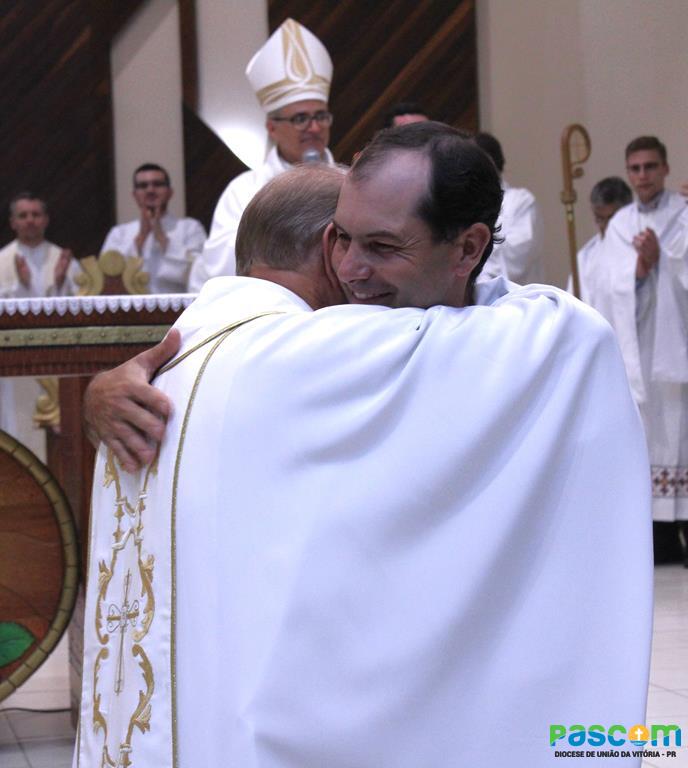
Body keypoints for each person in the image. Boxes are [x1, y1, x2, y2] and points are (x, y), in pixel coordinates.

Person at [76, 124, 651, 768]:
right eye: (340, 239)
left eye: (380, 246)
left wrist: (101, 384)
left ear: (469, 246)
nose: (350, 269)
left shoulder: (177, 359)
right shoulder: (351, 350)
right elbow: (561, 328)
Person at [187, 18, 335, 291]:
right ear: (272, 128)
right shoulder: (244, 191)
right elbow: (219, 266)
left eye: (320, 116)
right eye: (301, 118)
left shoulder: (351, 182)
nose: (314, 127)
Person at [598, 136, 688, 541]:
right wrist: (640, 267)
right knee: (651, 433)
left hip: (679, 339)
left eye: (650, 166)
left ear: (666, 168)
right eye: (635, 168)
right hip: (641, 345)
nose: (642, 175)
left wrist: (665, 259)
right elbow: (605, 286)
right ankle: (661, 542)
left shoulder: (683, 213)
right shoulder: (620, 224)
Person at [100, 163, 207, 293]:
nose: (150, 190)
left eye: (157, 184)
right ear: (134, 195)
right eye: (143, 186)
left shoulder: (190, 228)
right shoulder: (119, 233)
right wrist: (141, 238)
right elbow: (107, 277)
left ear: (170, 192)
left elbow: (201, 273)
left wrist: (163, 240)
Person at [473, 131, 544, 284]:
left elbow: (518, 256)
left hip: (514, 300)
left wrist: (473, 250)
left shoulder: (521, 201)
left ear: (493, 162)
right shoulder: (460, 203)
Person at [566, 176, 632, 308]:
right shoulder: (586, 258)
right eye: (599, 218)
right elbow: (575, 305)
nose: (606, 226)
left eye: (612, 218)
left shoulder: (643, 249)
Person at [0, 192, 78, 298]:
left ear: (46, 220)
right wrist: (22, 286)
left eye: (36, 215)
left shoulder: (63, 260)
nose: (30, 220)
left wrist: (60, 284)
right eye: (23, 216)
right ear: (13, 222)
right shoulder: (2, 260)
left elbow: (82, 302)